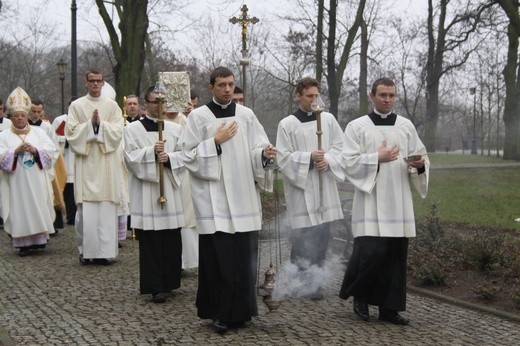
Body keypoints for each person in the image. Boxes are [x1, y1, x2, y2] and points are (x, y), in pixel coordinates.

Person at [182, 66, 276, 333]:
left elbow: (257, 148)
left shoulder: (246, 115)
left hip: (244, 196)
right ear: (211, 86)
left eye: (231, 85)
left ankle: (243, 312)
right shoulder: (198, 117)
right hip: (215, 201)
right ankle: (219, 313)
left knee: (244, 260)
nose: (227, 89)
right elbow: (187, 155)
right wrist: (215, 141)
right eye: (222, 84)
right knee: (219, 261)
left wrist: (265, 155)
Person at [339, 77, 429, 325]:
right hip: (371, 199)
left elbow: (420, 157)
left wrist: (419, 165)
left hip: (398, 200)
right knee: (369, 252)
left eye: (391, 95)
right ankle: (361, 298)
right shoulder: (357, 127)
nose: (387, 100)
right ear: (372, 96)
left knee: (394, 256)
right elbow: (348, 162)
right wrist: (375, 158)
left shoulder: (406, 126)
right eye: (383, 95)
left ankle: (390, 309)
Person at [275, 77, 345, 300]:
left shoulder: (329, 119)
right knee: (302, 236)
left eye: (317, 95)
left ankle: (315, 283)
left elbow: (340, 148)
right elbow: (283, 157)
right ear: (298, 96)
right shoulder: (287, 124)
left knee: (322, 235)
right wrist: (309, 158)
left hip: (323, 184)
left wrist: (329, 161)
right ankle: (298, 280)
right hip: (302, 189)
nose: (315, 100)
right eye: (310, 96)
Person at [124, 86, 186, 303]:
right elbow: (130, 159)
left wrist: (169, 159)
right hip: (148, 191)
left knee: (171, 237)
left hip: (169, 186)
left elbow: (185, 156)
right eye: (154, 102)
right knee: (151, 240)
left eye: (162, 102)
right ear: (145, 103)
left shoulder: (175, 129)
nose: (159, 106)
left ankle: (170, 281)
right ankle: (154, 286)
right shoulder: (133, 130)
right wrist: (151, 152)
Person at [66, 68, 124, 265]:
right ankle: (86, 252)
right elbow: (71, 133)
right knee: (86, 213)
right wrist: (91, 125)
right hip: (87, 164)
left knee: (106, 211)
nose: (95, 84)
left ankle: (106, 253)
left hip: (107, 163)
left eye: (99, 81)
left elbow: (118, 132)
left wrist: (101, 126)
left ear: (103, 82)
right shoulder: (76, 106)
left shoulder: (112, 106)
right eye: (92, 81)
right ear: (86, 82)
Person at [0, 87, 58, 256]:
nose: (19, 118)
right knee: (20, 207)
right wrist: (15, 151)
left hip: (37, 179)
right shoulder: (3, 136)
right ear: (10, 117)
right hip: (16, 182)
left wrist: (35, 150)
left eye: (22, 115)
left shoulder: (39, 132)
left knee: (38, 204)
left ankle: (39, 241)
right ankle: (22, 243)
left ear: (27, 116)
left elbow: (52, 151)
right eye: (16, 115)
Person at [164, 104, 198, 271]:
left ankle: (186, 261)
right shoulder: (158, 121)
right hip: (163, 173)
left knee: (186, 216)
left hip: (183, 173)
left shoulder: (187, 121)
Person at [30, 100, 67, 234]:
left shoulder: (47, 128)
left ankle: (47, 225)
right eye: (33, 111)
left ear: (43, 111)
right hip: (26, 169)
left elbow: (54, 148)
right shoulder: (23, 126)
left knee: (46, 196)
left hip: (43, 167)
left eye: (39, 111)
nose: (36, 114)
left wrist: (45, 160)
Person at [52, 97, 79, 226]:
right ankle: (65, 215)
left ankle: (74, 216)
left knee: (76, 190)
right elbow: (53, 139)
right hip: (65, 159)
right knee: (66, 189)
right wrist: (65, 140)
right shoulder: (60, 120)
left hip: (78, 159)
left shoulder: (82, 119)